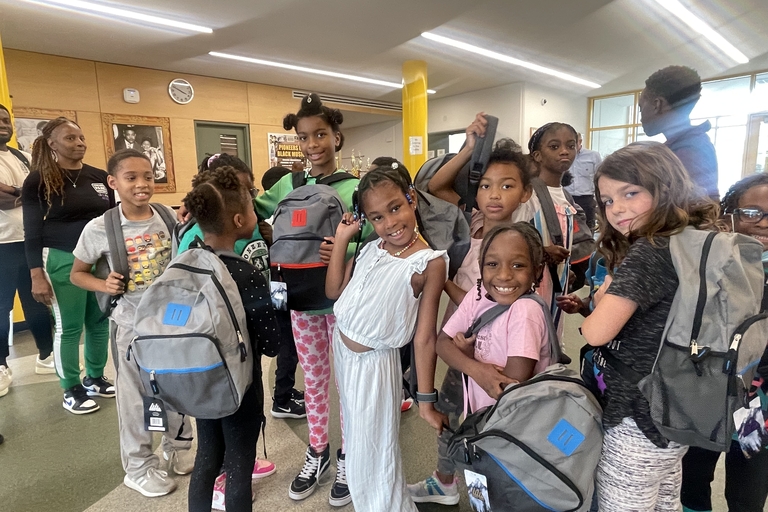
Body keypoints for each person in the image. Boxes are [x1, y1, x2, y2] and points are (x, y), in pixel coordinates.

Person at [581, 141, 719, 511]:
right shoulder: (692, 240)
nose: (618, 209)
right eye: (608, 200)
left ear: (665, 188)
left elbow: (595, 331)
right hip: (676, 409)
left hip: (637, 416)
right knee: (664, 501)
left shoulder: (650, 251)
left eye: (631, 193)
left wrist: (608, 286)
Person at [409, 117, 534, 504]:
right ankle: (446, 478)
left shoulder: (517, 245)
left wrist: (440, 278)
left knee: (479, 421)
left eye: (507, 186)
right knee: (448, 411)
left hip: (488, 352)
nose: (494, 195)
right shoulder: (474, 221)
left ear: (525, 193)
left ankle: (473, 485)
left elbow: (487, 302)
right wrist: (468, 147)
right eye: (485, 186)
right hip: (460, 345)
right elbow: (432, 186)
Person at [254, 93, 371, 506]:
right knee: (315, 381)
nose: (312, 144)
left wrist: (348, 251)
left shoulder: (357, 188)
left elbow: (380, 240)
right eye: (304, 138)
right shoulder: (289, 184)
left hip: (343, 303)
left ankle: (348, 455)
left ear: (337, 137)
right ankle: (318, 450)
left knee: (348, 383)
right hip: (302, 301)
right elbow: (250, 214)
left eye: (320, 134)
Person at [69, 149, 194, 497]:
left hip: (170, 323)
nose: (142, 184)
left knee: (177, 386)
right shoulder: (100, 228)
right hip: (130, 325)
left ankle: (177, 447)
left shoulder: (167, 217)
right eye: (131, 177)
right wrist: (102, 283)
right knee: (134, 397)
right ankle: (138, 467)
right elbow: (78, 274)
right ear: (113, 183)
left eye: (148, 177)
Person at [325, 165, 448, 512]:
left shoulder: (429, 262)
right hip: (344, 352)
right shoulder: (370, 248)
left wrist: (425, 402)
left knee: (376, 453)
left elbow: (425, 338)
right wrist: (344, 240)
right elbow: (335, 291)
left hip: (375, 366)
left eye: (396, 208)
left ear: (411, 199)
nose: (391, 223)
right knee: (357, 446)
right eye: (377, 216)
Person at [182, 166, 278, 512]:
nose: (256, 213)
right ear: (239, 220)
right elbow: (270, 343)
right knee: (239, 465)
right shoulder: (244, 272)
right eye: (253, 209)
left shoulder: (186, 261)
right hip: (239, 387)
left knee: (207, 458)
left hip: (199, 382)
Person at [678, 173, 768, 512]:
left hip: (758, 405)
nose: (762, 223)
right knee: (692, 480)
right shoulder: (711, 264)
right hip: (706, 393)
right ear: (728, 216)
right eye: (751, 212)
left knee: (747, 493)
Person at [22, 117, 115, 414]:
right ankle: (70, 388)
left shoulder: (98, 176)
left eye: (82, 138)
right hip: (61, 258)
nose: (79, 143)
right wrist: (36, 273)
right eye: (70, 138)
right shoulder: (38, 179)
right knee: (69, 326)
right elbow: (32, 230)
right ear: (52, 144)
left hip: (99, 258)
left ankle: (95, 377)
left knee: (99, 322)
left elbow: (113, 217)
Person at [436, 222, 551, 411]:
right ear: (480, 266)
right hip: (483, 416)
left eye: (517, 265)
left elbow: (509, 388)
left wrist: (468, 359)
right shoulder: (478, 293)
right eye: (492, 264)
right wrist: (476, 368)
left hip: (507, 425)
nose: (504, 275)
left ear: (536, 271)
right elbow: (442, 343)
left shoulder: (525, 311)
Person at [0, 103, 54, 399]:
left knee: (37, 300)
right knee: (0, 308)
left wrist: (15, 192)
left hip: (29, 241)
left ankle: (46, 355)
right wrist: (24, 194)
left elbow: (39, 193)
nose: (3, 124)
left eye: (6, 119)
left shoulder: (20, 156)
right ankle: (0, 365)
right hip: (1, 245)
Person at [512, 122, 582, 335]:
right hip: (532, 286)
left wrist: (565, 269)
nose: (564, 151)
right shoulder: (528, 195)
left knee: (550, 336)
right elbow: (510, 238)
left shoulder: (565, 195)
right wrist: (541, 251)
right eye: (554, 146)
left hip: (555, 285)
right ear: (537, 156)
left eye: (570, 146)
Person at [639, 65, 719, 201]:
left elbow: (702, 205)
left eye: (641, 108)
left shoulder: (689, 151)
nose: (640, 117)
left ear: (657, 105)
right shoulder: (680, 146)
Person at [564, 133, 602, 229]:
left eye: (572, 144)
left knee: (588, 227)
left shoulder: (593, 156)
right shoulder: (564, 156)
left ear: (580, 141)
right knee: (567, 227)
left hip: (586, 199)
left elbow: (600, 177)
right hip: (566, 198)